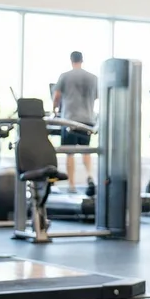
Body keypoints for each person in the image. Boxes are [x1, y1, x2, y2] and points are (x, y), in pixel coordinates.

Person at [53, 51, 98, 194]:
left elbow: (57, 96)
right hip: (87, 119)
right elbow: (97, 96)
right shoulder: (93, 78)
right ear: (82, 60)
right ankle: (90, 176)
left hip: (69, 119)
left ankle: (71, 185)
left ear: (71, 60)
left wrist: (54, 110)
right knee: (86, 150)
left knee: (70, 152)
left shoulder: (65, 76)